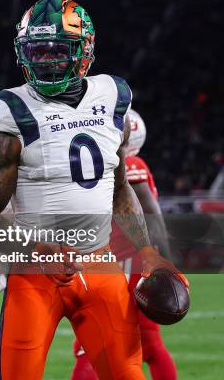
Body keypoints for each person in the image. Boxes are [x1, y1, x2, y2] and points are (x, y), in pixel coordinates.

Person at [0, 0, 188, 380]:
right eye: (36, 52)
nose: (46, 61)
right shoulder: (11, 111)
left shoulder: (111, 98)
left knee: (127, 373)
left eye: (58, 51)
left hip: (99, 263)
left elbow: (121, 188)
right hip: (34, 273)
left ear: (85, 51)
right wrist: (33, 246)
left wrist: (148, 251)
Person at [71, 109, 178, 379]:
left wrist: (163, 260)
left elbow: (152, 215)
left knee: (92, 345)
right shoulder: (113, 166)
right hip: (120, 265)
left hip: (125, 267)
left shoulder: (132, 165)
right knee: (147, 346)